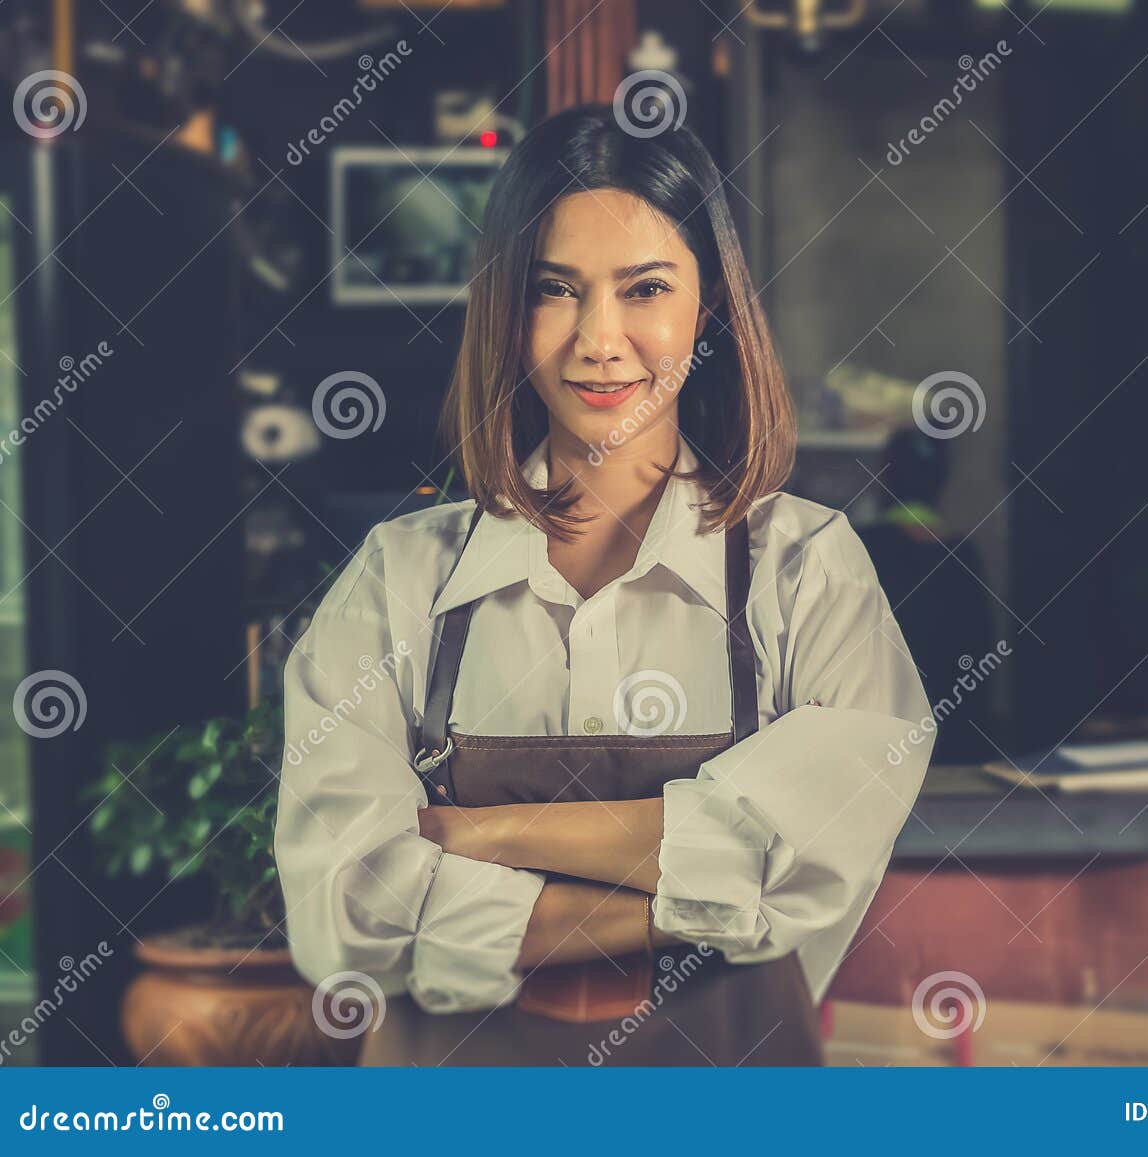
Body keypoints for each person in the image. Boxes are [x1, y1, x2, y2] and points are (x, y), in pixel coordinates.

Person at [272, 104, 934, 1066]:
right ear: (506, 309)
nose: (599, 337)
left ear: (705, 308)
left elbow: (812, 864)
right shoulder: (399, 577)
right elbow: (350, 913)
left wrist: (487, 835)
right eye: (555, 290)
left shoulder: (806, 567)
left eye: (645, 288)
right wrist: (708, 887)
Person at [856, 427, 1000, 764]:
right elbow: (981, 652)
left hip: (880, 741)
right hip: (954, 742)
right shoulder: (963, 555)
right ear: (942, 480)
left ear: (883, 477)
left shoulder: (860, 546)